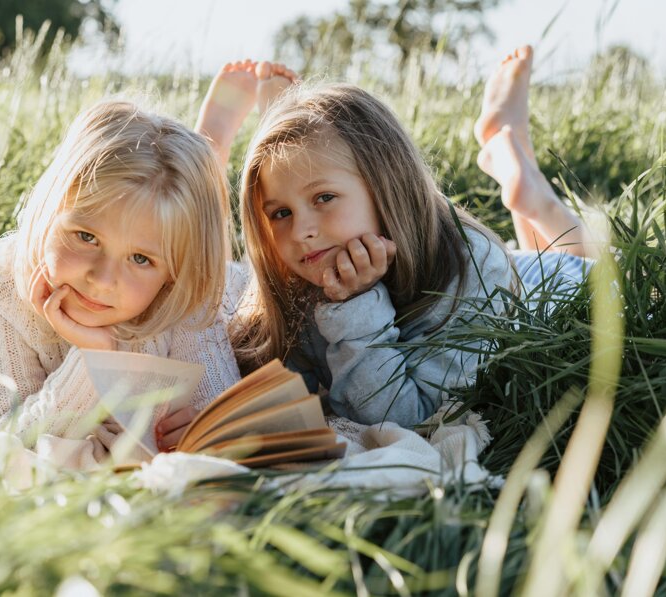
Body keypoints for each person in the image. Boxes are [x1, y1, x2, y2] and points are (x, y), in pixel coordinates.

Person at [231, 45, 590, 428]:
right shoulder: (305, 270)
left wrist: (355, 306)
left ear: (386, 185)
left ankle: (534, 190)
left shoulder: (473, 269)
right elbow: (279, 390)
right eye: (281, 212)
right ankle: (518, 166)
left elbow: (409, 419)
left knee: (586, 257)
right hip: (517, 263)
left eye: (324, 198)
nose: (301, 231)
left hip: (552, 285)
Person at [0, 60, 295, 456]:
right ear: (50, 210)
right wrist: (92, 358)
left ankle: (232, 153)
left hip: (229, 291)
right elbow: (8, 440)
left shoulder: (183, 291)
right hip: (174, 242)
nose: (103, 280)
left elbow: (216, 403)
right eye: (86, 237)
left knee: (267, 284)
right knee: (171, 224)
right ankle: (207, 160)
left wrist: (205, 424)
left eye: (140, 259)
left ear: (172, 275)